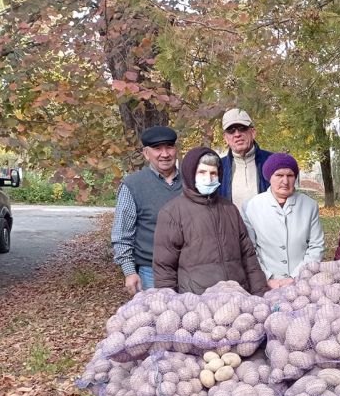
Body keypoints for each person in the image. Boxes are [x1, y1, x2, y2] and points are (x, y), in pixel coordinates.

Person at [152, 147, 269, 296]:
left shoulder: (229, 209)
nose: (208, 178)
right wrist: (169, 303)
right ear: (190, 174)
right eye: (202, 172)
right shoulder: (172, 212)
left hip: (238, 297)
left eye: (213, 173)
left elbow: (248, 257)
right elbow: (164, 267)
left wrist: (260, 294)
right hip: (197, 302)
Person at [111, 125, 183, 294]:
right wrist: (129, 272)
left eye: (169, 147)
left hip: (190, 270)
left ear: (176, 150)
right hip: (151, 272)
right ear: (146, 153)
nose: (165, 154)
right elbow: (121, 235)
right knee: (159, 319)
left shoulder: (192, 182)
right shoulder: (133, 185)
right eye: (157, 148)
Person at [241, 153, 324, 288]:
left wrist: (296, 276)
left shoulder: (309, 206)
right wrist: (266, 278)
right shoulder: (251, 206)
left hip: (303, 282)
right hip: (265, 283)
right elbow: (250, 250)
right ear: (269, 177)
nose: (285, 181)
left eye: (290, 175)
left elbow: (316, 247)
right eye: (279, 175)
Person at [218, 108, 274, 210]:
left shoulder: (273, 162)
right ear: (225, 138)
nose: (237, 134)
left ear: (253, 132)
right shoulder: (218, 167)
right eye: (231, 130)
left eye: (242, 128)